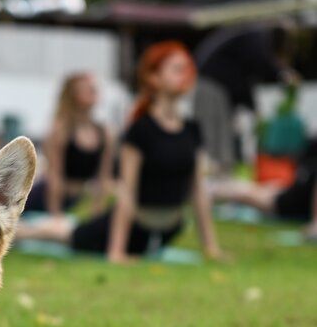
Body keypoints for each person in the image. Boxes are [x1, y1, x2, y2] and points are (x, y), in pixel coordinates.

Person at [17, 41, 223, 263]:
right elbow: (127, 191)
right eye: (176, 69)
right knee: (65, 234)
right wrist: (116, 251)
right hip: (128, 225)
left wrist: (211, 248)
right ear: (153, 78)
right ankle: (17, 232)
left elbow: (198, 190)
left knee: (69, 228)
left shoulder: (192, 129)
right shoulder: (140, 129)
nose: (185, 75)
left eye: (187, 68)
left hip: (165, 229)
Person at [193, 21, 300, 174]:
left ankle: (222, 177)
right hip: (211, 86)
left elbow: (245, 79)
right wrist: (281, 74)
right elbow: (259, 65)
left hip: (215, 86)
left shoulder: (250, 41)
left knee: (225, 137)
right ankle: (216, 181)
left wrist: (253, 107)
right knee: (216, 140)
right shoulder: (257, 40)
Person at [24, 72, 115, 216]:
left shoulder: (105, 133)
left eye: (94, 88)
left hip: (79, 199)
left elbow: (104, 178)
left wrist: (98, 209)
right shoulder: (61, 131)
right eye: (86, 88)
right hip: (47, 199)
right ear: (73, 95)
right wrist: (55, 214)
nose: (93, 91)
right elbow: (54, 176)